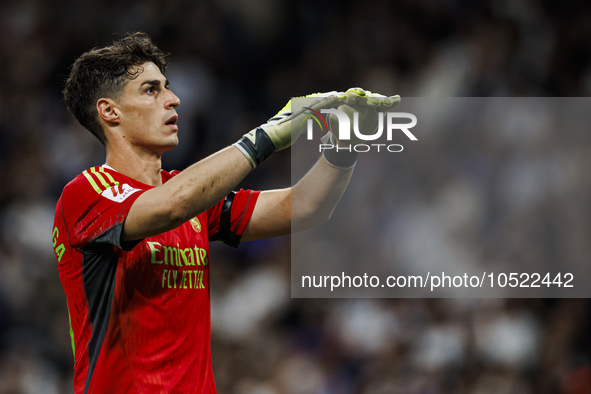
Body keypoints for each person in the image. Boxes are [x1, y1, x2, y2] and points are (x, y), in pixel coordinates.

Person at [52, 32, 399, 393]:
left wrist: (344, 143)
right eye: (151, 90)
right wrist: (267, 136)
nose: (173, 99)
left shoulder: (189, 194)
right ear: (110, 111)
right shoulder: (85, 194)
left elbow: (305, 207)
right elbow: (172, 205)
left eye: (167, 87)